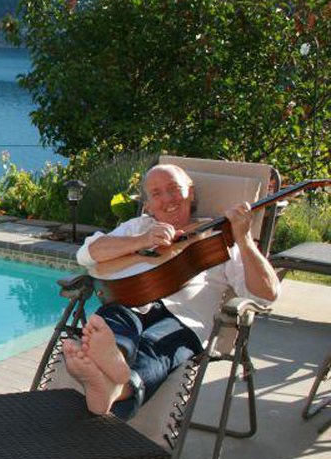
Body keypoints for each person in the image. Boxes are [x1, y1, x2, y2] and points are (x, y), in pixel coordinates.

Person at [65, 164, 280, 418]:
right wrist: (142, 240)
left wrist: (243, 238)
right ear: (148, 205)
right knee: (114, 318)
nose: (167, 199)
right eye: (156, 193)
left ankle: (116, 389)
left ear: (191, 192)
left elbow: (266, 294)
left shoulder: (219, 237)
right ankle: (113, 359)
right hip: (131, 300)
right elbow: (87, 254)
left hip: (184, 319)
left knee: (156, 348)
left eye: (174, 188)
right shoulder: (138, 226)